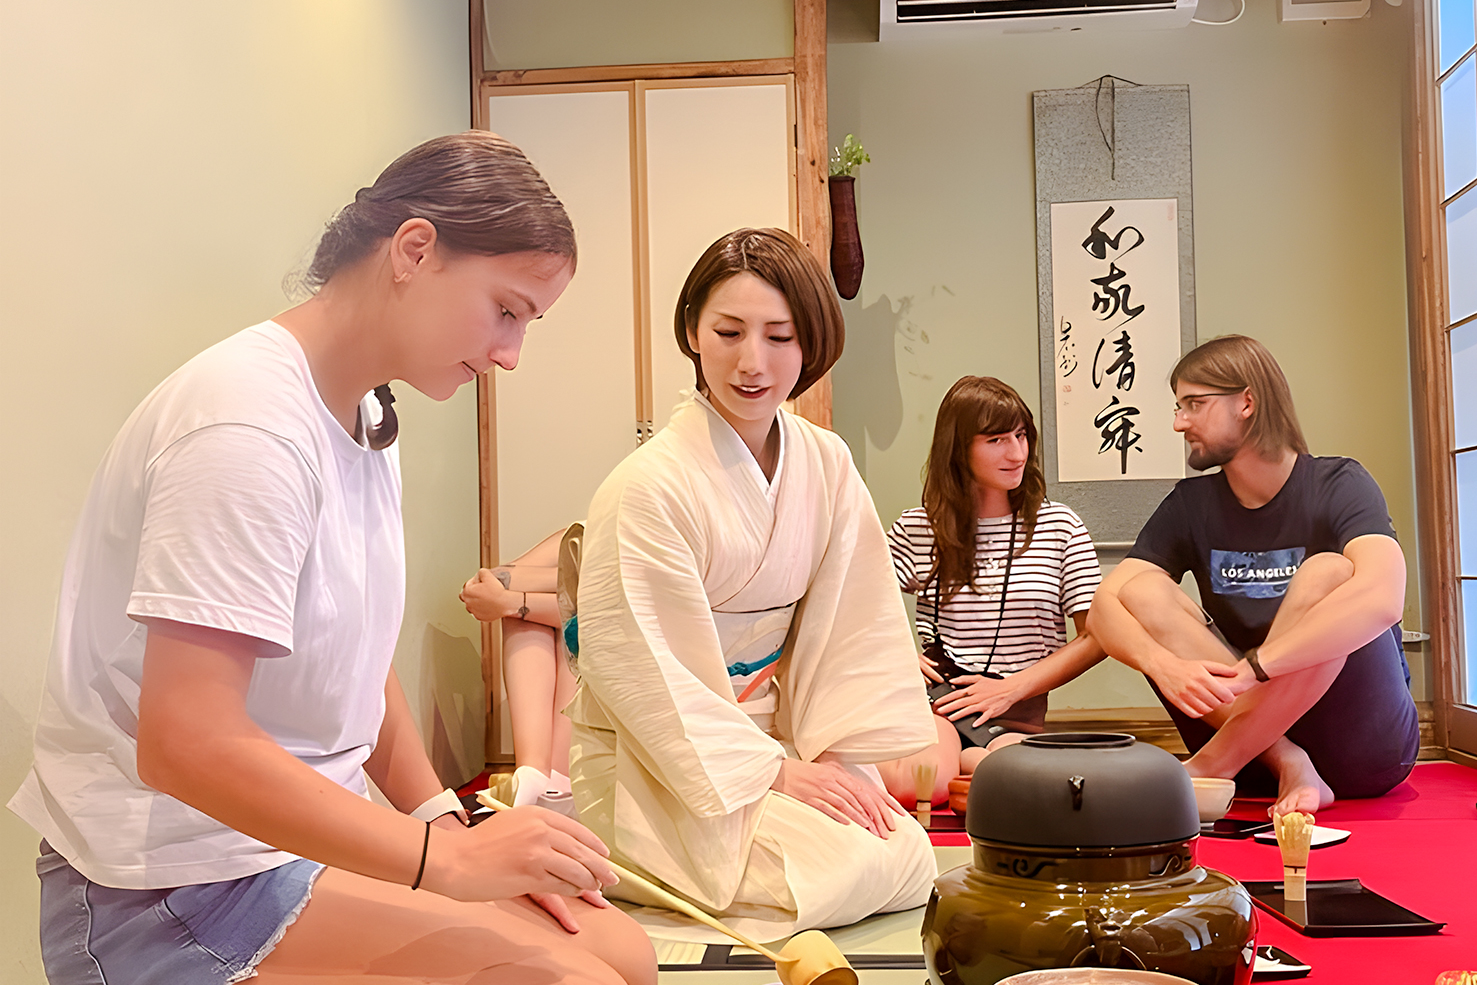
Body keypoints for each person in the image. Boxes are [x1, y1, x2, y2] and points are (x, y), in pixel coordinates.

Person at [8, 132, 655, 985]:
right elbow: (184, 742)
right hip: (171, 886)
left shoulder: (363, 416)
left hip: (288, 850)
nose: (509, 355)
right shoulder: (247, 425)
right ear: (415, 250)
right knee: (571, 981)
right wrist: (443, 863)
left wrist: (444, 822)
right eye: (506, 310)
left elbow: (352, 665)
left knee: (624, 953)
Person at [565, 227, 939, 940]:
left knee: (902, 853)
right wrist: (773, 774)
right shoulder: (647, 487)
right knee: (822, 875)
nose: (751, 362)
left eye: (779, 336)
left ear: (811, 344)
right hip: (663, 758)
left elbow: (851, 621)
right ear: (691, 333)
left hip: (778, 735)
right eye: (728, 332)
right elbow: (644, 670)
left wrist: (828, 759)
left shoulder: (824, 461)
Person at [1088, 335, 1418, 817]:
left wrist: (1259, 667)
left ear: (1247, 402)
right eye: (1180, 407)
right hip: (1254, 752)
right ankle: (1288, 761)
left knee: (1328, 571)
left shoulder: (1339, 482)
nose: (1180, 423)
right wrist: (1161, 664)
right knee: (1141, 590)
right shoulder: (1190, 504)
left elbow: (1383, 598)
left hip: (1362, 745)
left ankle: (1206, 766)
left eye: (1194, 405)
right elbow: (1105, 606)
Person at [878, 376, 1106, 804]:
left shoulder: (1059, 526)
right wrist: (898, 657)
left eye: (1021, 436)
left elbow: (1096, 638)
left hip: (1016, 715)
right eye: (997, 439)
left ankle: (974, 766)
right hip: (938, 704)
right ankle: (961, 766)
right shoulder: (919, 527)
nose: (1017, 453)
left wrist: (1012, 688)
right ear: (959, 447)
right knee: (920, 783)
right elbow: (854, 604)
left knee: (1014, 784)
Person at [460, 526, 580, 813]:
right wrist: (511, 598)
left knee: (579, 620)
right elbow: (485, 583)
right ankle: (535, 776)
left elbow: (607, 610)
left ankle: (551, 780)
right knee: (537, 607)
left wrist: (511, 602)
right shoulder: (583, 534)